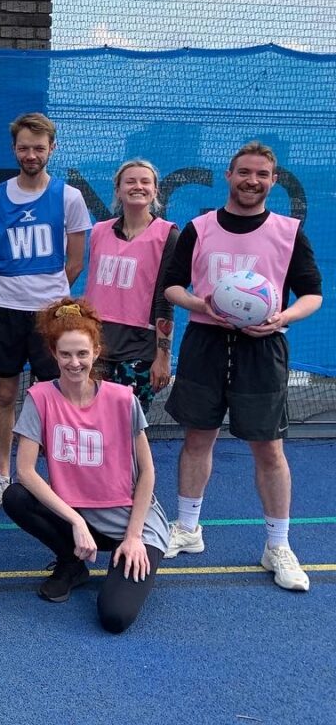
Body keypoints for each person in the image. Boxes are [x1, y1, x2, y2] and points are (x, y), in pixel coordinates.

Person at [161, 141, 322, 591]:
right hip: (206, 341)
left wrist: (282, 317)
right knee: (197, 438)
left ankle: (278, 546)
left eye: (262, 175)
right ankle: (189, 529)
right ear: (228, 176)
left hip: (263, 347)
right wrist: (201, 303)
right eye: (244, 172)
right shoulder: (199, 227)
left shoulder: (289, 231)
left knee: (269, 449)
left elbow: (312, 293)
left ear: (273, 181)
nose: (253, 181)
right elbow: (172, 286)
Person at [3, 299, 169, 633]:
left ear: (95, 352)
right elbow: (25, 471)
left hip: (129, 522)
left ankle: (127, 559)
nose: (74, 362)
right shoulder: (40, 397)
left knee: (115, 617)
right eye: (65, 354)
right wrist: (76, 519)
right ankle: (72, 563)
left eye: (82, 353)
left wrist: (134, 536)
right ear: (53, 353)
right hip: (78, 520)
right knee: (16, 497)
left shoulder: (123, 399)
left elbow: (148, 472)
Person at [0, 113, 91, 511]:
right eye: (24, 147)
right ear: (14, 149)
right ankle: (2, 475)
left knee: (53, 396)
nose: (30, 154)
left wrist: (49, 295)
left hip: (52, 315)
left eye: (38, 148)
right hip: (6, 310)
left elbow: (74, 261)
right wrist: (15, 283)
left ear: (51, 149)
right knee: (5, 393)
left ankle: (58, 476)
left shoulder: (69, 197)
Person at [83, 159, 178, 413]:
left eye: (145, 181)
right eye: (130, 181)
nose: (138, 186)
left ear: (155, 190)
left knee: (129, 425)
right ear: (117, 190)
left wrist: (163, 357)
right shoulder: (99, 231)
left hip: (139, 350)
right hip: (96, 346)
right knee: (92, 421)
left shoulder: (167, 234)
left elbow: (164, 300)